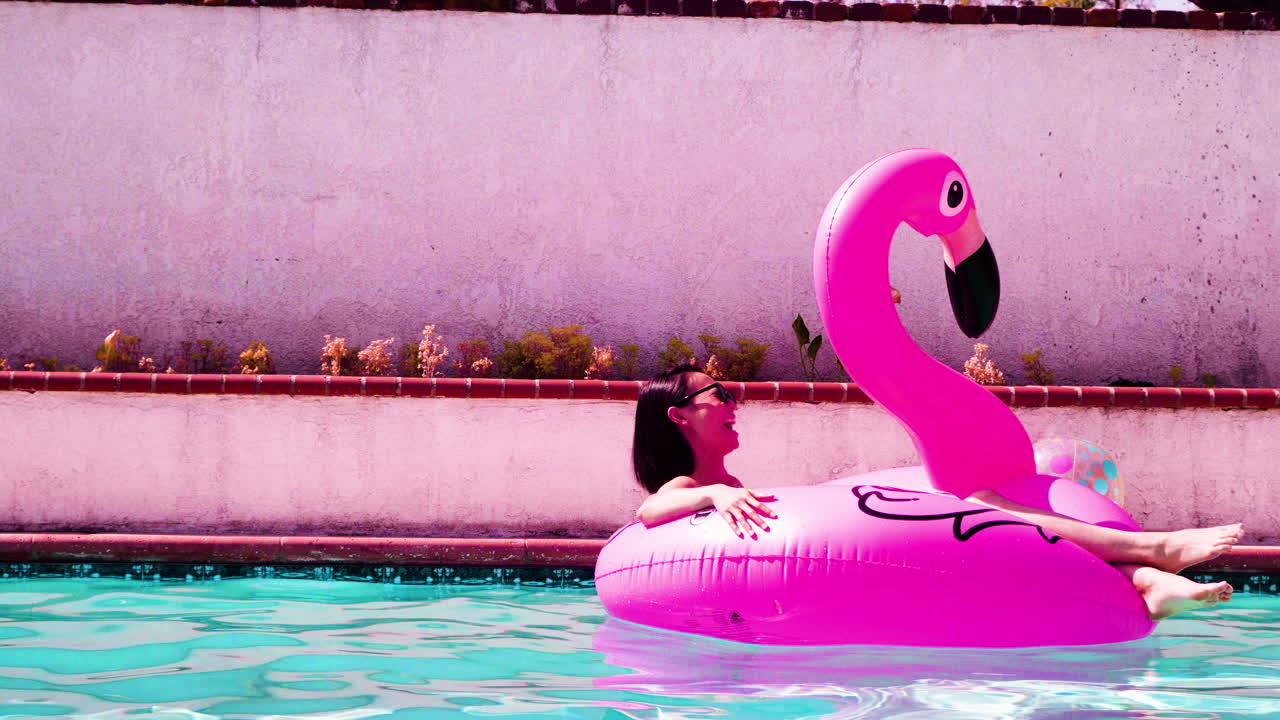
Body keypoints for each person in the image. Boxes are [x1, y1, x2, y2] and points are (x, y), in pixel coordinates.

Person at [632, 364, 1244, 621]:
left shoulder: (732, 487)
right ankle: (1151, 552)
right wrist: (710, 498)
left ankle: (1145, 580)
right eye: (719, 395)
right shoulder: (692, 488)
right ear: (678, 416)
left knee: (987, 511)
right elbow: (649, 509)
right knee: (987, 512)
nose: (735, 403)